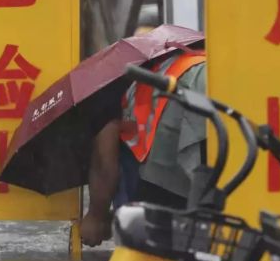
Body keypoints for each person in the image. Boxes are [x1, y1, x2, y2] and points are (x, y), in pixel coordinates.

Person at [81, 31, 207, 246]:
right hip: (211, 88)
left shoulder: (100, 87)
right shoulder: (166, 58)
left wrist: (96, 217)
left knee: (157, 240)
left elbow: (105, 165)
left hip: (177, 123)